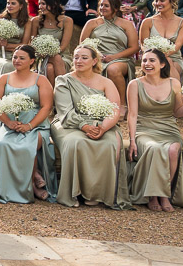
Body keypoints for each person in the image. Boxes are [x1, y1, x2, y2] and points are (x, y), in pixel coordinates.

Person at [50, 44, 129, 209]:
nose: (79, 61)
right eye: (76, 57)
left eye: (84, 57)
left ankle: (98, 193)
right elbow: (65, 111)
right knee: (76, 143)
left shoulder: (106, 82)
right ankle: (75, 192)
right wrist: (85, 126)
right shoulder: (63, 81)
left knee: (110, 144)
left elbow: (114, 110)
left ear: (94, 61)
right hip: (69, 123)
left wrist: (103, 128)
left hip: (102, 124)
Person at [0, 45, 56, 204]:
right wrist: (8, 122)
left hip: (35, 123)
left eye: (22, 58)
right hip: (7, 123)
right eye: (15, 57)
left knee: (27, 146)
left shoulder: (41, 80)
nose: (16, 60)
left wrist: (29, 125)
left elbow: (47, 107)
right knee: (2, 144)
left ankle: (30, 183)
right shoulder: (3, 78)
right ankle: (31, 181)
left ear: (32, 61)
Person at [127, 48, 183, 212]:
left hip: (168, 128)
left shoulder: (173, 82)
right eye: (144, 60)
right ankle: (153, 195)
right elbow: (132, 115)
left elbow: (178, 112)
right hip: (144, 129)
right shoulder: (135, 84)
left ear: (162, 64)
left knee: (173, 150)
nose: (147, 64)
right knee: (155, 148)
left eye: (152, 60)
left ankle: (164, 194)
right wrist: (132, 140)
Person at [80, 0, 139, 100]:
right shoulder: (91, 23)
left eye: (106, 6)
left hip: (121, 58)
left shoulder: (127, 24)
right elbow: (82, 45)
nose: (102, 8)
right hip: (97, 58)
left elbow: (134, 47)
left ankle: (122, 103)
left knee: (113, 69)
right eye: (101, 5)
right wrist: (96, 56)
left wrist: (113, 57)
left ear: (115, 8)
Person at [138, 0, 183, 76]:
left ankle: (174, 88)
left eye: (162, 1)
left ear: (172, 2)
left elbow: (178, 45)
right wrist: (154, 57)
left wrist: (164, 55)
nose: (158, 3)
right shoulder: (147, 22)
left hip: (173, 58)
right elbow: (143, 45)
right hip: (151, 58)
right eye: (156, 1)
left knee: (168, 62)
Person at [26, 0, 76, 79]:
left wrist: (49, 53)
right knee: (49, 67)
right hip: (41, 55)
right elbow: (32, 42)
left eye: (43, 4)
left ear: (54, 4)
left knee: (50, 66)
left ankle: (60, 89)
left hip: (62, 56)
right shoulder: (36, 20)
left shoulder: (67, 21)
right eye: (39, 4)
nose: (40, 7)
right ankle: (64, 87)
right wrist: (41, 52)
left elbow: (63, 46)